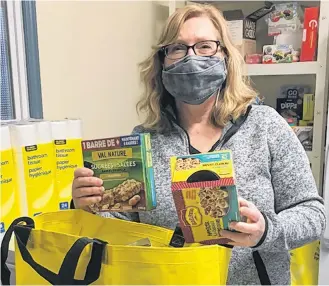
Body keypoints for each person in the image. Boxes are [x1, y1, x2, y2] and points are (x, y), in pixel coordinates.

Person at [71, 3, 326, 285]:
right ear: (162, 62)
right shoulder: (144, 139)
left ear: (226, 57)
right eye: (178, 48)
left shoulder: (265, 127)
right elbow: (123, 225)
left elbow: (313, 215)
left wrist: (266, 230)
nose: (191, 58)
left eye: (205, 46)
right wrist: (89, 204)